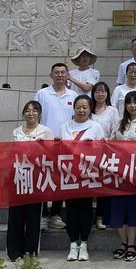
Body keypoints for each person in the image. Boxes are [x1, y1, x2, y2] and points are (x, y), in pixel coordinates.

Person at [109, 91, 136, 262]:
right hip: (118, 172)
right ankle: (122, 242)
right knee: (118, 208)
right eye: (129, 103)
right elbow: (111, 143)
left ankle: (131, 244)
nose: (132, 106)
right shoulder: (119, 123)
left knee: (133, 208)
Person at [7, 101, 53, 262]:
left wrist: (42, 148)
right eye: (27, 110)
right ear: (23, 114)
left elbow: (51, 154)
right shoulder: (16, 131)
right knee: (15, 216)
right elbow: (11, 153)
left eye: (34, 110)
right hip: (18, 177)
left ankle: (30, 252)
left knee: (33, 217)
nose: (30, 113)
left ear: (39, 114)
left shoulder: (46, 131)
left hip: (36, 178)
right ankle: (14, 251)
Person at [61, 95, 104, 261]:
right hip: (69, 174)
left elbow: (102, 149)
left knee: (85, 209)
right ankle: (73, 244)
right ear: (74, 108)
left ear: (90, 108)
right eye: (78, 107)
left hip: (88, 174)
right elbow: (61, 149)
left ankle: (84, 244)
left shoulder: (96, 126)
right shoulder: (65, 126)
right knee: (71, 210)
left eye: (85, 107)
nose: (81, 110)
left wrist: (92, 145)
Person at [34, 62, 77, 230]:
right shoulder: (42, 94)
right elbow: (36, 115)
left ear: (67, 75)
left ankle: (55, 214)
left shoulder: (73, 95)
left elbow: (76, 119)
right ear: (51, 75)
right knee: (44, 179)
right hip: (45, 143)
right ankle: (44, 214)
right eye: (57, 72)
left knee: (61, 179)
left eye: (63, 72)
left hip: (65, 144)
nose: (60, 75)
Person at [91, 81, 119, 230]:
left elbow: (115, 131)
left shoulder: (112, 111)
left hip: (106, 152)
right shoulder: (88, 109)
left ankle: (101, 216)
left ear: (107, 94)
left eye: (103, 91)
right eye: (97, 91)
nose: (100, 94)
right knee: (89, 184)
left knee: (104, 185)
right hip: (89, 154)